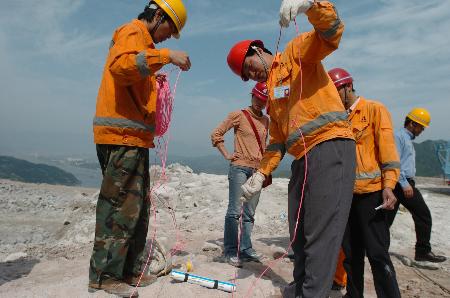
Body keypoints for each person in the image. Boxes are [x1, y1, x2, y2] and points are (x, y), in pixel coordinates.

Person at [227, 1, 356, 297]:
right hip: (303, 158)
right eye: (246, 75)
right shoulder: (273, 92)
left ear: (258, 51)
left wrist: (312, 6)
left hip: (329, 146)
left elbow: (331, 32)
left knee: (320, 232)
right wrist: (260, 174)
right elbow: (277, 140)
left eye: (250, 66)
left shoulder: (297, 52)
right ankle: (300, 286)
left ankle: (313, 293)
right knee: (298, 229)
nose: (252, 74)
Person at [89, 1, 191, 297]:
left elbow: (133, 73)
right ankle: (105, 275)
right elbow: (121, 67)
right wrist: (166, 57)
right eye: (170, 30)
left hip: (133, 139)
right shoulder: (133, 32)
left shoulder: (142, 44)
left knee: (136, 210)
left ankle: (131, 270)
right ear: (158, 16)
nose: (168, 38)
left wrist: (152, 76)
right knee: (119, 207)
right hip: (120, 137)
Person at [329, 68, 401, 298]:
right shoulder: (337, 119)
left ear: (347, 86)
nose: (333, 96)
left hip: (372, 195)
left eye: (335, 90)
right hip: (346, 197)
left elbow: (388, 152)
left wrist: (389, 185)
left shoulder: (373, 110)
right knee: (351, 254)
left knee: (378, 253)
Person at [211, 82, 269, 268]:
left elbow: (266, 145)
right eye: (257, 98)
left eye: (263, 100)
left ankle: (245, 248)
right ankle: (229, 250)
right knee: (235, 211)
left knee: (250, 213)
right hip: (239, 168)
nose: (259, 102)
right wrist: (227, 154)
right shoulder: (238, 115)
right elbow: (216, 134)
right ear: (252, 96)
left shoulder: (267, 120)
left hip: (257, 171)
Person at [387, 108, 446, 263]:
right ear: (412, 124)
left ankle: (376, 247)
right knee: (423, 215)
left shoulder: (406, 138)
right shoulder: (399, 137)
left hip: (402, 183)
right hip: (401, 184)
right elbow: (395, 162)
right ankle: (422, 252)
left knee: (386, 219)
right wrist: (405, 184)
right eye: (421, 127)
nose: (422, 131)